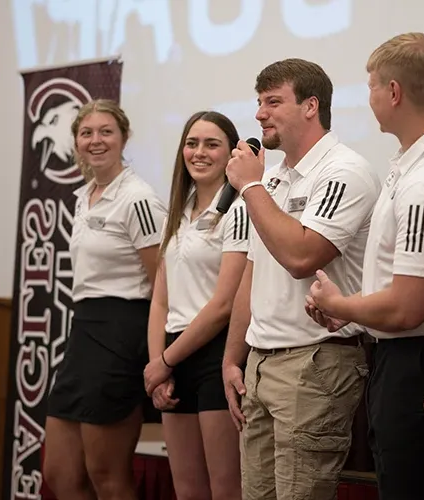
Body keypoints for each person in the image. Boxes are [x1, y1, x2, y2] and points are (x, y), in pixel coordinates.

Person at [305, 33, 424, 500]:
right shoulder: (415, 160)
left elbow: (408, 308)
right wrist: (355, 309)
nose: (366, 98)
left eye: (370, 87)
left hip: (420, 362)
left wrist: (340, 301)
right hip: (411, 355)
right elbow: (398, 284)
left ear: (394, 92)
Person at [222, 58, 380, 500]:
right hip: (261, 362)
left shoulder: (343, 171)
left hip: (316, 364)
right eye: (258, 102)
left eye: (273, 102)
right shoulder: (270, 180)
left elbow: (301, 257)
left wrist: (250, 187)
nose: (259, 114)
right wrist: (233, 358)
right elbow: (254, 271)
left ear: (311, 106)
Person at [43, 99, 167, 500]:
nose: (96, 140)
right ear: (77, 142)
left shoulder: (138, 198)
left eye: (106, 132)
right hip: (83, 334)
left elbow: (161, 281)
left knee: (107, 475)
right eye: (87, 133)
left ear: (124, 137)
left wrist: (155, 353)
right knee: (60, 475)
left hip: (121, 334)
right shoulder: (84, 196)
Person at [143, 111, 248, 500]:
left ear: (231, 152)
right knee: (186, 489)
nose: (199, 152)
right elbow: (160, 300)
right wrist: (160, 365)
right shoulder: (179, 209)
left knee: (226, 489)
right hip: (172, 355)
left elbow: (224, 305)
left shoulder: (240, 210)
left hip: (216, 354)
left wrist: (164, 362)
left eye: (211, 143)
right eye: (192, 143)